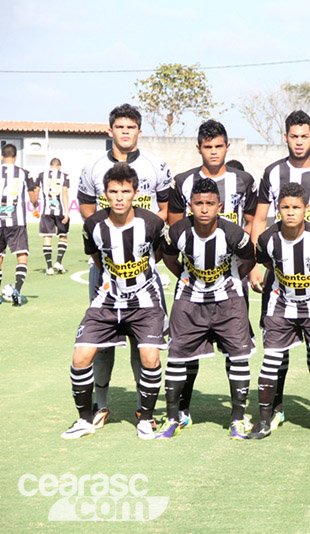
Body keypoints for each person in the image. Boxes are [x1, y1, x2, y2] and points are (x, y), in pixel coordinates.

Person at [77, 103, 171, 430]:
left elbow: (166, 209)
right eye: (120, 127)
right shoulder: (93, 166)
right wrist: (112, 245)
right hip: (106, 271)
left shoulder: (155, 165)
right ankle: (100, 406)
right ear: (110, 130)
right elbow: (87, 209)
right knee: (101, 339)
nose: (125, 132)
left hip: (143, 271)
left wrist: (140, 246)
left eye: (131, 127)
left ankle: (142, 409)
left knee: (141, 340)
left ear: (139, 131)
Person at [250, 110, 310, 433]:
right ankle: (274, 410)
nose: (300, 142)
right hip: (279, 269)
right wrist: (253, 267)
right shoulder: (272, 173)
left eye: (305, 136)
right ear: (286, 137)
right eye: (294, 136)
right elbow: (260, 220)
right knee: (277, 342)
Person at [61, 163, 168, 440]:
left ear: (135, 192)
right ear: (105, 195)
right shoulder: (93, 225)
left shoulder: (152, 223)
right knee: (80, 357)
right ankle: (85, 420)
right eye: (113, 191)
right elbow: (97, 258)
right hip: (107, 301)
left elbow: (157, 254)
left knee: (149, 356)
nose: (119, 197)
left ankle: (145, 418)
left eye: (125, 191)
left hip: (145, 301)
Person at [168, 119, 257, 430]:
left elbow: (251, 224)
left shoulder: (244, 180)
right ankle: (182, 408)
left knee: (236, 348)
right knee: (185, 346)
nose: (214, 152)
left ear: (227, 147)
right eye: (208, 147)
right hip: (192, 284)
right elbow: (174, 230)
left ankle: (238, 414)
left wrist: (246, 271)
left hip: (232, 280)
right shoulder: (182, 182)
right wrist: (185, 273)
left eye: (219, 146)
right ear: (199, 149)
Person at [0, 143, 36, 306]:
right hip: (17, 221)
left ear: (2, 156)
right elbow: (32, 197)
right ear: (15, 157)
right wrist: (35, 205)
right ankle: (18, 290)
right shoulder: (24, 173)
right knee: (22, 255)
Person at [32, 158, 70, 275]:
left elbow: (36, 192)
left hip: (46, 211)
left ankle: (49, 267)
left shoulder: (41, 175)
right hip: (60, 211)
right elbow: (64, 193)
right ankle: (58, 261)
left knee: (47, 236)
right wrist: (67, 211)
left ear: (50, 165)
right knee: (63, 235)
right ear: (59, 166)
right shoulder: (65, 176)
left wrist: (35, 208)